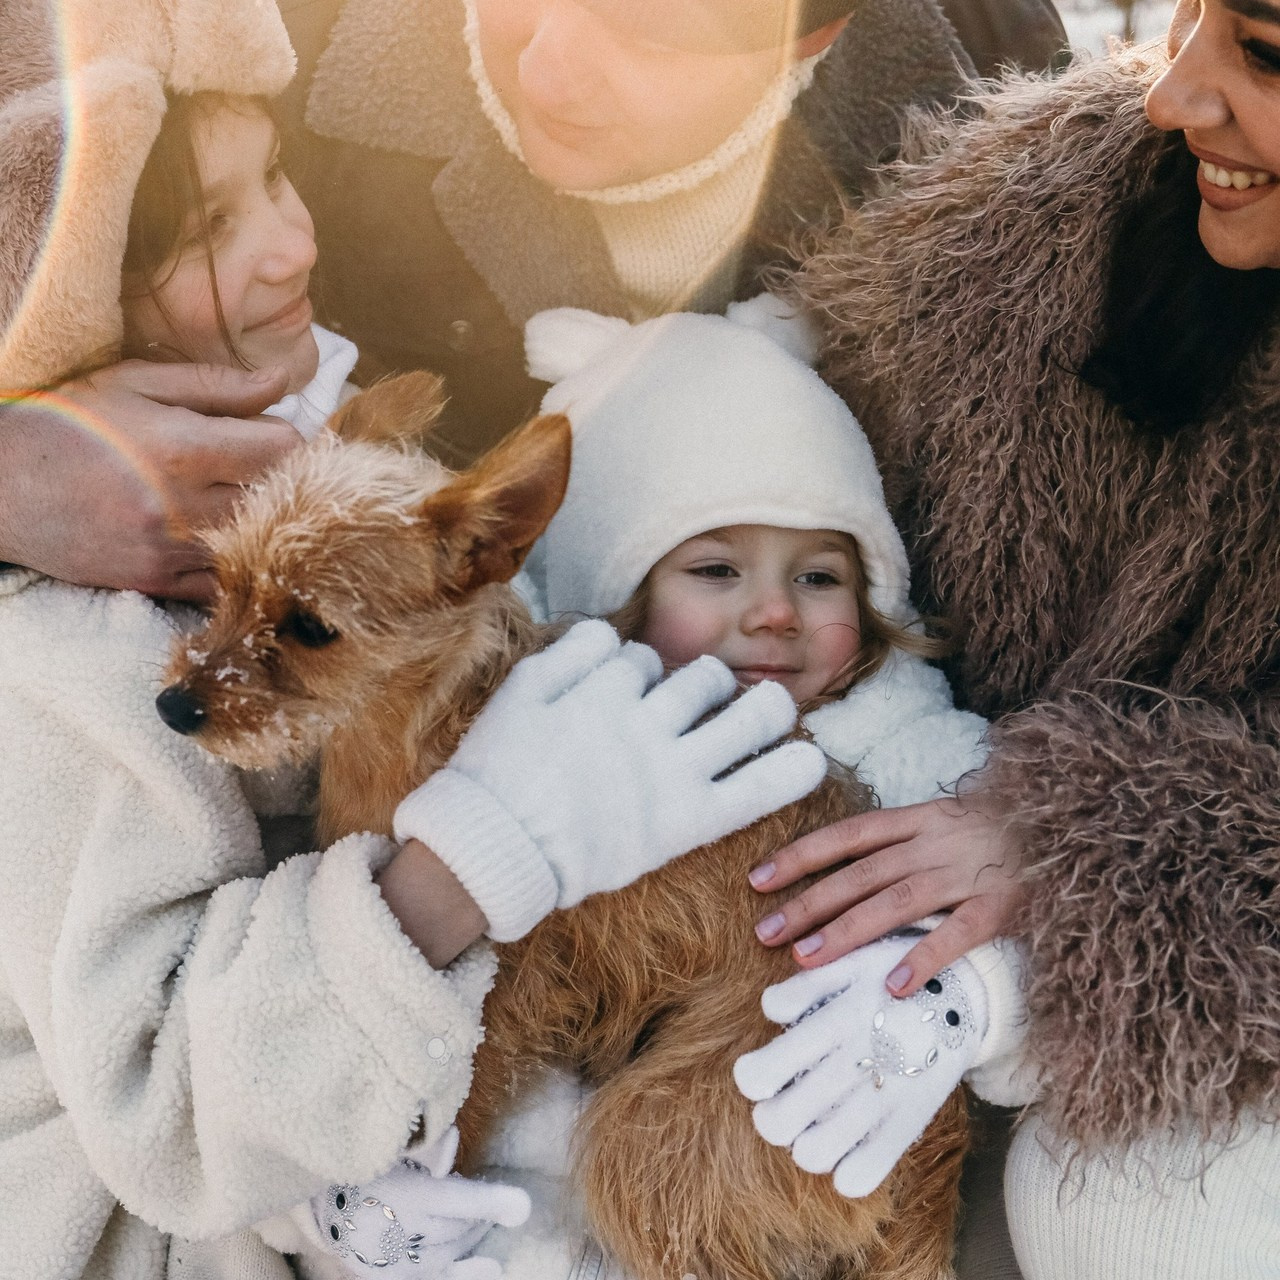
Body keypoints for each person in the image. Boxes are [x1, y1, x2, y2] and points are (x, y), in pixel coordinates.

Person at [0, 8, 826, 1279]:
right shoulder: (67, 647)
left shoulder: (324, 423)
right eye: (211, 229)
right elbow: (167, 1110)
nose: (293, 239)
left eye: (277, 173)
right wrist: (475, 853)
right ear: (67, 288)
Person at [750, 3, 1280, 1275]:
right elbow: (778, 459)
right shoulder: (1031, 223)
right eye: (1196, 19)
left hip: (1184, 998)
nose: (1171, 98)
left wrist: (1082, 842)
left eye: (1261, 53)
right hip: (890, 920)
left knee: (1135, 1201)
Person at [0, 0, 1067, 602]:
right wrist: (11, 467)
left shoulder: (1006, 107)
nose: (549, 69)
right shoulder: (253, 28)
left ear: (814, 36)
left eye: (648, 29)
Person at [411, 297, 1026, 1279]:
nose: (774, 612)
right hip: (603, 1142)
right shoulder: (571, 744)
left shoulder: (909, 742)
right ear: (611, 593)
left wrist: (968, 1001)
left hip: (840, 1116)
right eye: (714, 567)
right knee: (555, 1148)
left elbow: (1052, 921)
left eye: (820, 576)